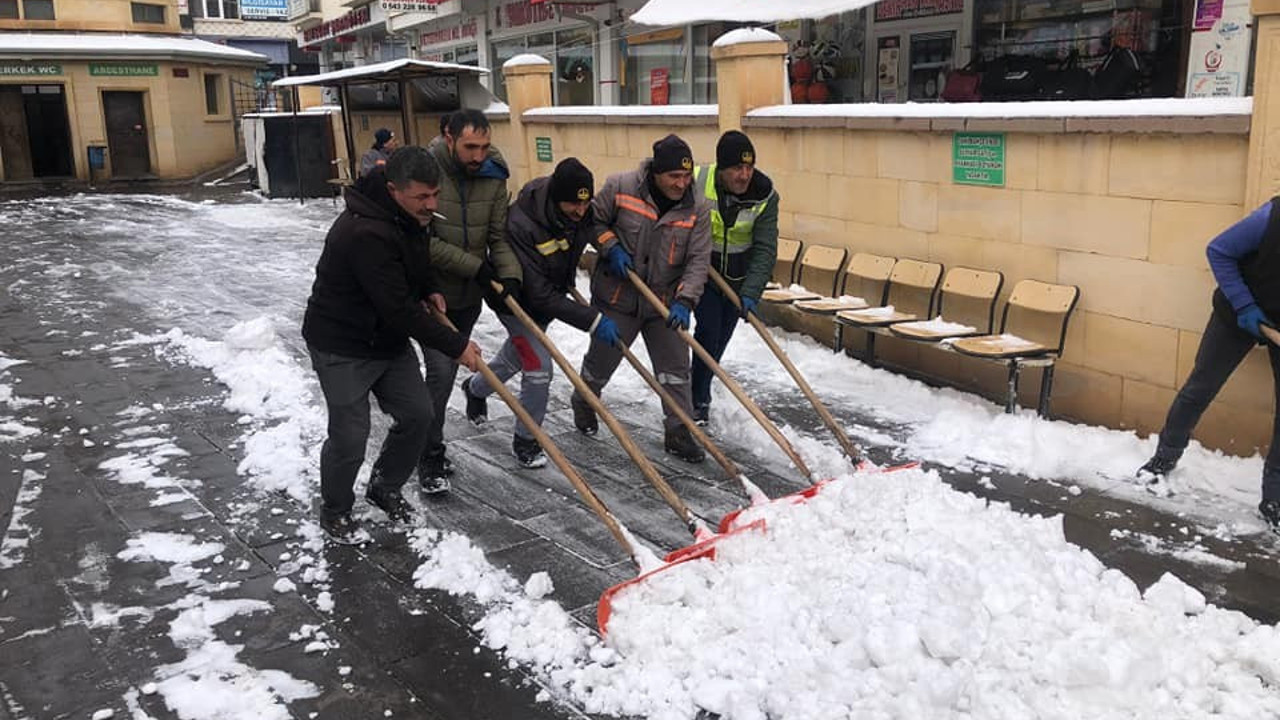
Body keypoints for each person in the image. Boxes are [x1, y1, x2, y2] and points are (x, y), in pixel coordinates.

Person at [302, 147, 483, 544]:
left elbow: (416, 264)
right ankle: (335, 510)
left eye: (435, 194)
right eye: (422, 197)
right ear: (392, 189)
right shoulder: (365, 232)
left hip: (384, 338)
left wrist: (431, 288)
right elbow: (399, 309)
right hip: (342, 343)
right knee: (350, 435)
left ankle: (384, 487)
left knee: (418, 414)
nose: (431, 205)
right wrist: (456, 345)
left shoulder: (408, 216)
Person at [463, 158, 618, 468]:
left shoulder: (579, 210)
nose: (580, 210)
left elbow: (593, 227)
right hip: (516, 302)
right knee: (538, 369)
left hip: (549, 295)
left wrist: (609, 247)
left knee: (518, 356)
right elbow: (539, 295)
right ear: (557, 197)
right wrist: (592, 320)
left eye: (584, 203)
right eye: (573, 204)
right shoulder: (522, 223)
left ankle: (476, 388)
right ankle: (527, 440)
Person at [1136, 200, 1280, 532]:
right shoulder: (1271, 217)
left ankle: (1274, 497)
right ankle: (1164, 458)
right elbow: (1219, 250)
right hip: (1239, 313)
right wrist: (1245, 307)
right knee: (1200, 388)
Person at [571, 134, 711, 463]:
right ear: (656, 174)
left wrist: (686, 300)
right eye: (674, 176)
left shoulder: (697, 207)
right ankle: (584, 399)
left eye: (687, 175)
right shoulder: (621, 187)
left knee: (676, 369)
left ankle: (678, 431)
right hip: (619, 296)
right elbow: (593, 221)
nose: (682, 183)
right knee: (601, 360)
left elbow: (698, 260)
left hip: (663, 301)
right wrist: (610, 246)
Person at [417, 108, 522, 491]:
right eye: (469, 147)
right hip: (428, 294)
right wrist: (473, 266)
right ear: (449, 138)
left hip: (466, 297)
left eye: (484, 146)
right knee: (442, 372)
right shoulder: (425, 173)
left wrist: (508, 274)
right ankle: (429, 453)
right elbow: (421, 242)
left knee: (442, 374)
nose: (478, 156)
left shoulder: (493, 175)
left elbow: (497, 235)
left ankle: (422, 432)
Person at [689, 130, 779, 426]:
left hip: (738, 278)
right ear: (721, 168)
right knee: (708, 331)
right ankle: (698, 399)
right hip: (703, 270)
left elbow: (765, 248)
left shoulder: (765, 195)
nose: (744, 175)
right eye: (736, 169)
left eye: (749, 167)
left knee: (719, 340)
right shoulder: (698, 182)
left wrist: (752, 292)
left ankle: (700, 385)